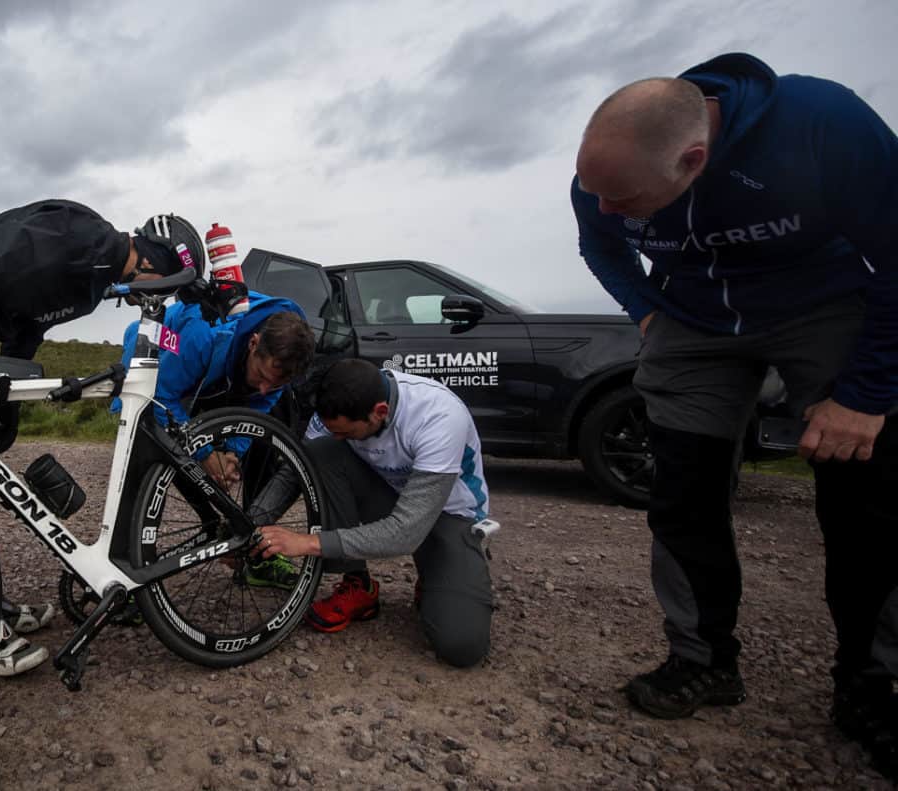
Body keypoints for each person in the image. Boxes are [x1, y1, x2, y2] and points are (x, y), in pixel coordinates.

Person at [571, 53, 897, 779]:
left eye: (623, 199)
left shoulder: (823, 125)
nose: (606, 210)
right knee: (682, 493)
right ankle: (703, 658)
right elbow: (599, 245)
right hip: (693, 319)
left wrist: (868, 395)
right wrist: (647, 311)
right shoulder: (603, 180)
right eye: (595, 192)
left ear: (693, 158)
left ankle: (871, 682)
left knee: (867, 499)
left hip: (821, 307)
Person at [0, 199, 208, 676]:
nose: (158, 300)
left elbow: (27, 327)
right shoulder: (84, 236)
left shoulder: (94, 284)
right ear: (150, 261)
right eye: (162, 288)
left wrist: (5, 407)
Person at [252, 358, 494, 668]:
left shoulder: (438, 416)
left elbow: (406, 532)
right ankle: (358, 585)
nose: (339, 437)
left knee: (461, 645)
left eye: (348, 434)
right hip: (391, 497)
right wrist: (251, 524)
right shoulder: (336, 408)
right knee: (320, 452)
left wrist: (308, 542)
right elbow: (295, 471)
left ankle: (445, 568)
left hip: (448, 517)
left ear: (380, 412)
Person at [115, 291, 317, 588]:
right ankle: (125, 569)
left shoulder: (276, 364)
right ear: (254, 344)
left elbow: (259, 405)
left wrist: (231, 454)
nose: (264, 388)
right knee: (152, 453)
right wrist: (206, 453)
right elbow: (160, 397)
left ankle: (254, 545)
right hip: (164, 366)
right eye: (262, 376)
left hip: (218, 379)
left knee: (266, 430)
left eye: (275, 383)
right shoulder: (201, 335)